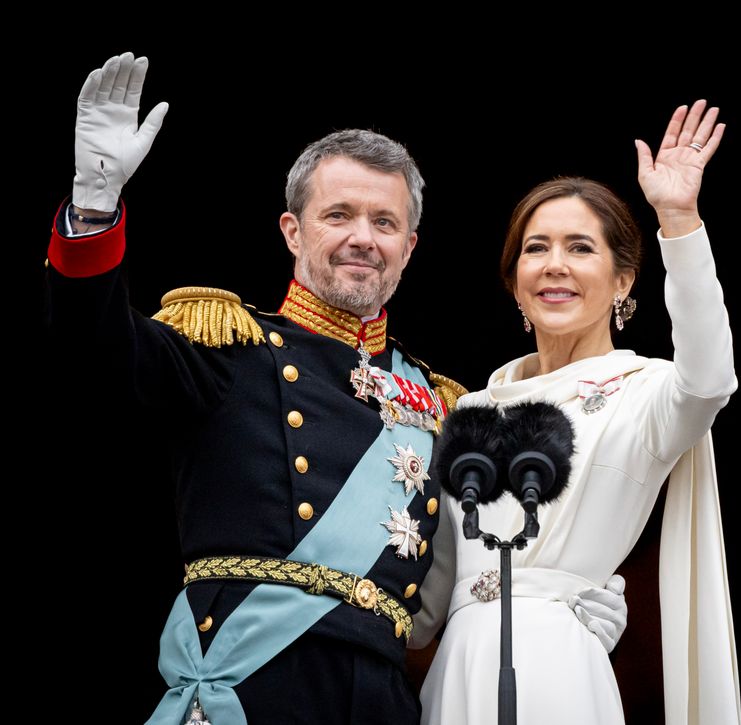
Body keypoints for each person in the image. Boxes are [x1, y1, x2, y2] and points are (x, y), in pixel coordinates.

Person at [45, 52, 625, 725]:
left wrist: (547, 616)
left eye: (383, 223)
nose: (362, 238)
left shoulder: (442, 407)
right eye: (339, 215)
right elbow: (92, 345)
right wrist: (93, 207)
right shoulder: (227, 347)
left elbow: (468, 571)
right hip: (250, 689)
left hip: (380, 703)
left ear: (408, 247)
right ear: (293, 231)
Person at [414, 101, 741, 724]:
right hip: (458, 668)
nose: (555, 264)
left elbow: (710, 380)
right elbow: (428, 597)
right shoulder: (468, 412)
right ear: (515, 281)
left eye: (580, 248)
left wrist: (678, 220)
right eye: (536, 248)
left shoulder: (647, 393)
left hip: (560, 664)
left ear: (623, 281)